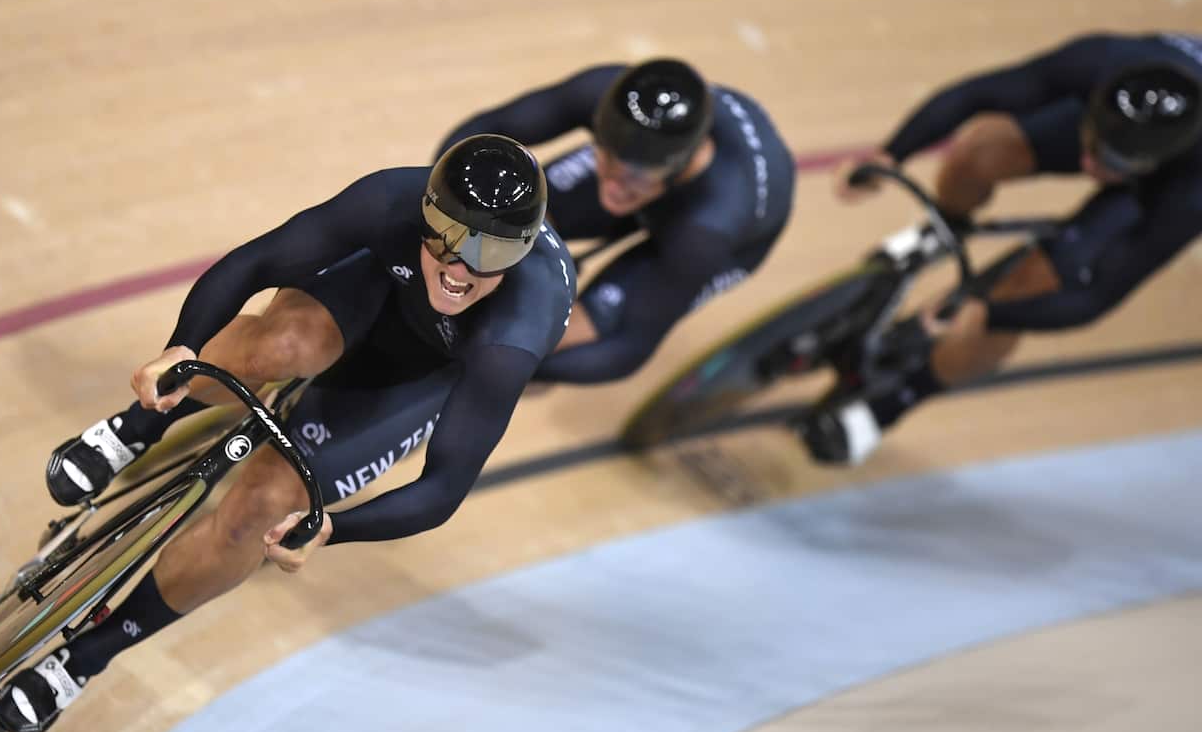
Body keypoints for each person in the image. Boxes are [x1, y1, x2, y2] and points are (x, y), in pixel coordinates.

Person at [0, 135, 575, 732]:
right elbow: (258, 262)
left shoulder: (514, 333)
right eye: (448, 236)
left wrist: (333, 528)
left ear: (522, 250)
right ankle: (139, 424)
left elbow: (445, 487)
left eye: (488, 252)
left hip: (413, 376)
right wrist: (181, 347)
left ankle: (86, 656)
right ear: (426, 210)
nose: (458, 267)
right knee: (286, 346)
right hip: (362, 295)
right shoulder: (391, 198)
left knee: (262, 510)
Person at [803, 32, 1202, 465]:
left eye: (1114, 163)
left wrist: (990, 313)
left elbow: (1097, 297)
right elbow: (975, 95)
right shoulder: (1102, 59)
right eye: (1093, 147)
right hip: (1121, 130)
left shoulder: (1190, 193)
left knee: (1033, 289)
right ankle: (943, 229)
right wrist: (892, 153)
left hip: (1160, 189)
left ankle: (890, 406)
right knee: (978, 150)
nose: (1091, 166)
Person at [435, 58, 795, 384]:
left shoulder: (706, 231)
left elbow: (626, 348)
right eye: (605, 158)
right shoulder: (605, 95)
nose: (613, 187)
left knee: (587, 325)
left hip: (727, 236)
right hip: (659, 175)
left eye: (634, 177)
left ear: (683, 162)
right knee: (517, 211)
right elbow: (488, 129)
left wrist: (513, 364)